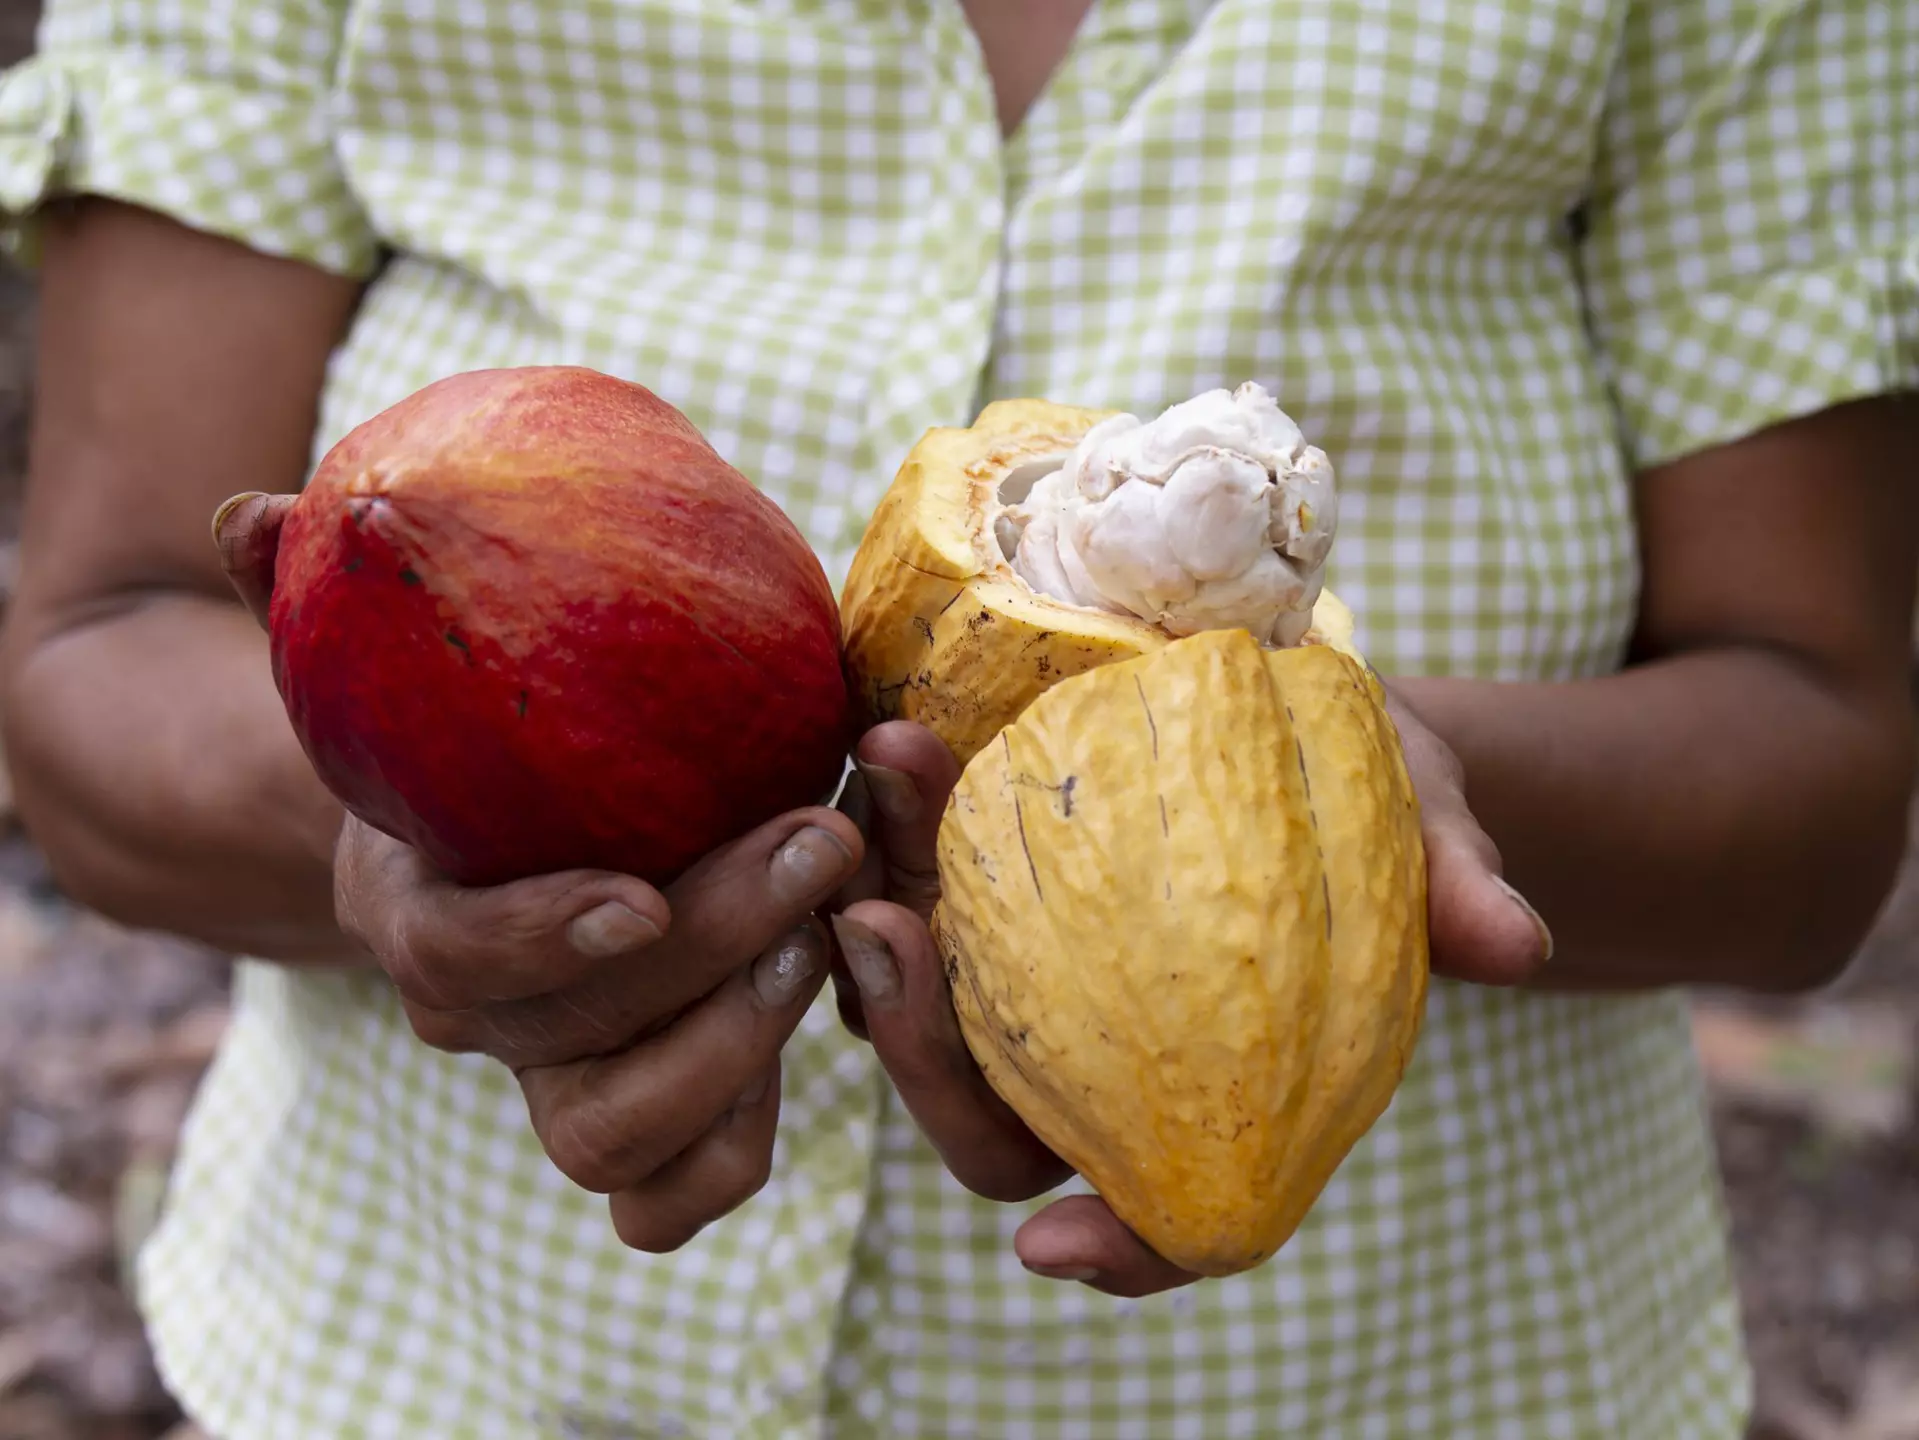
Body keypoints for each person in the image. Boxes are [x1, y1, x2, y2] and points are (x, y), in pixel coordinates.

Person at [0, 0, 1912, 1432]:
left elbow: (1813, 766)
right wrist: (415, 843)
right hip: (434, 1364)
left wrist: (1308, 784)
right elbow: (95, 644)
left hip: (1425, 1370)